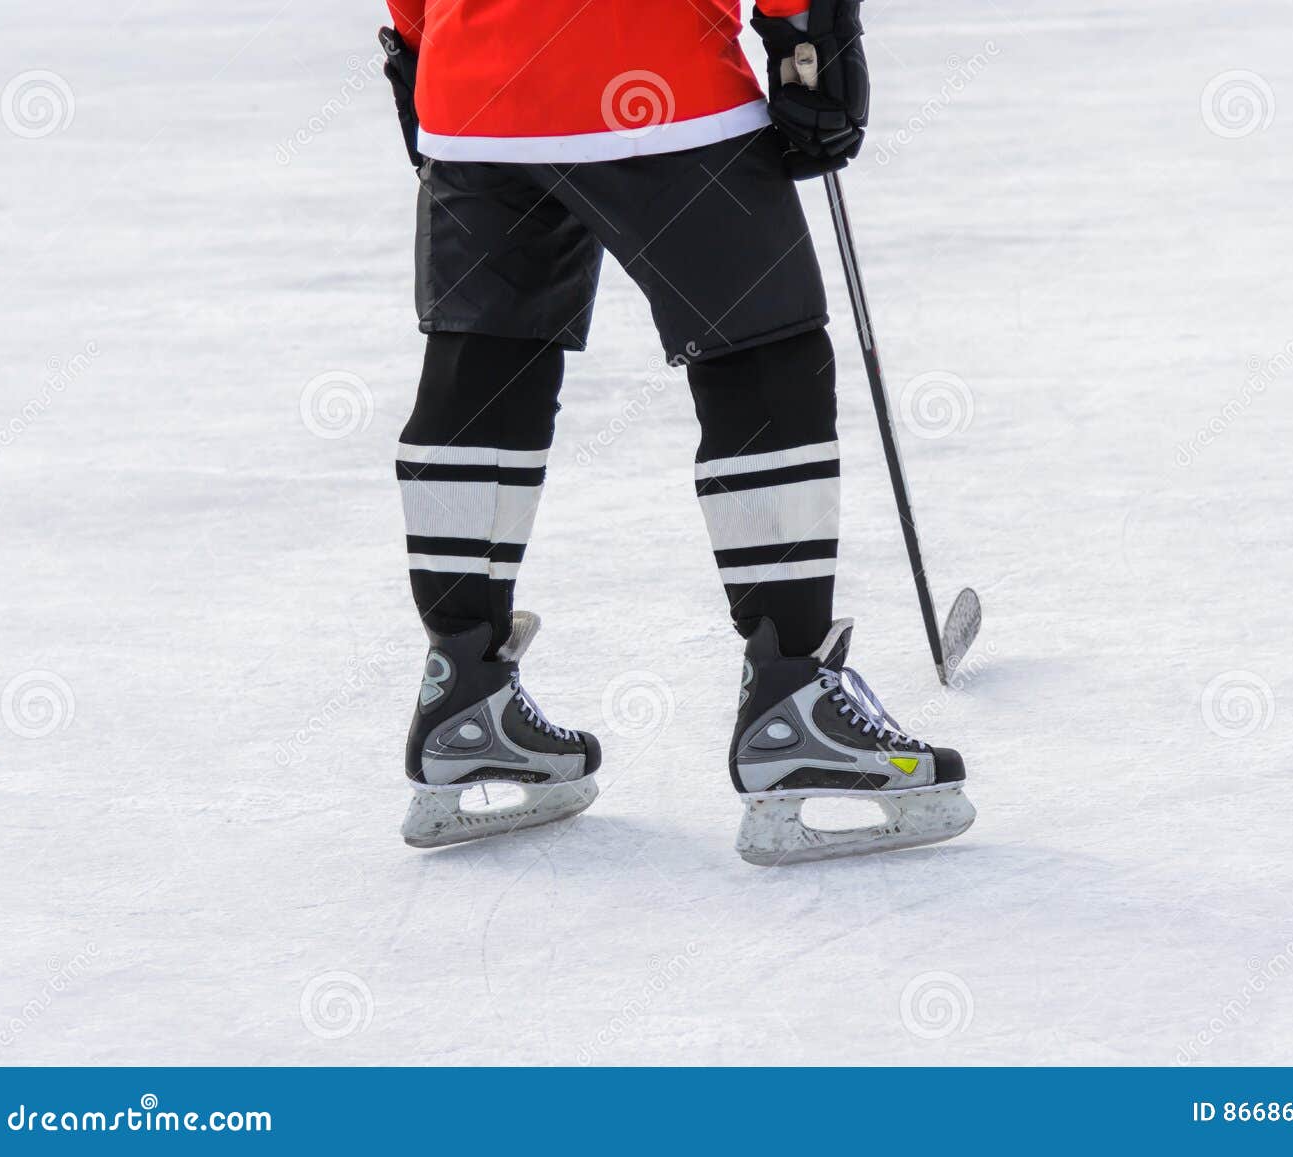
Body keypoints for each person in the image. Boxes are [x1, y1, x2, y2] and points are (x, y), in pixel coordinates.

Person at [380, 0, 974, 862]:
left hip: (477, 82)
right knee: (762, 353)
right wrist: (809, 29)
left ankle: (461, 695)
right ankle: (794, 707)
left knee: (486, 361)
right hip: (653, 64)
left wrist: (418, 40)